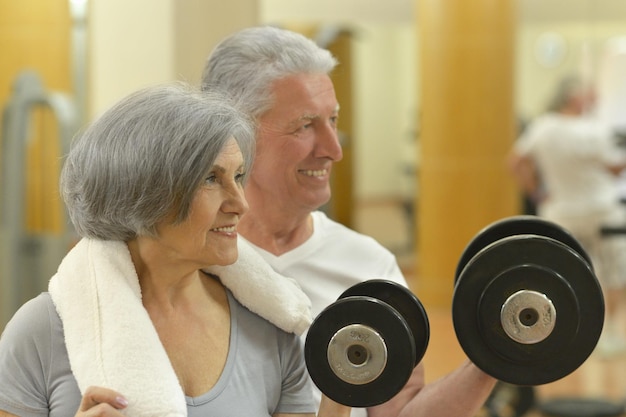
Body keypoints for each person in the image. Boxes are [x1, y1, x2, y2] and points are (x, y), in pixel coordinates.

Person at [0, 83, 350, 417]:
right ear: (143, 193)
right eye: (211, 179)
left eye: (238, 176)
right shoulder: (40, 332)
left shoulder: (270, 327)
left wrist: (345, 394)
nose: (240, 203)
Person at [202, 25, 497, 417]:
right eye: (306, 125)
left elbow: (399, 413)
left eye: (333, 120)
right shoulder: (188, 259)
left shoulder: (367, 267)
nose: (334, 149)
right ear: (236, 133)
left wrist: (494, 357)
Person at [508, 75, 626, 356]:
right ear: (574, 97)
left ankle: (569, 331)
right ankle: (608, 333)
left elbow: (515, 162)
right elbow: (615, 169)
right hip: (603, 212)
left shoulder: (543, 127)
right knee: (612, 274)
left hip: (561, 216)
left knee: (567, 274)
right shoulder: (594, 130)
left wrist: (537, 192)